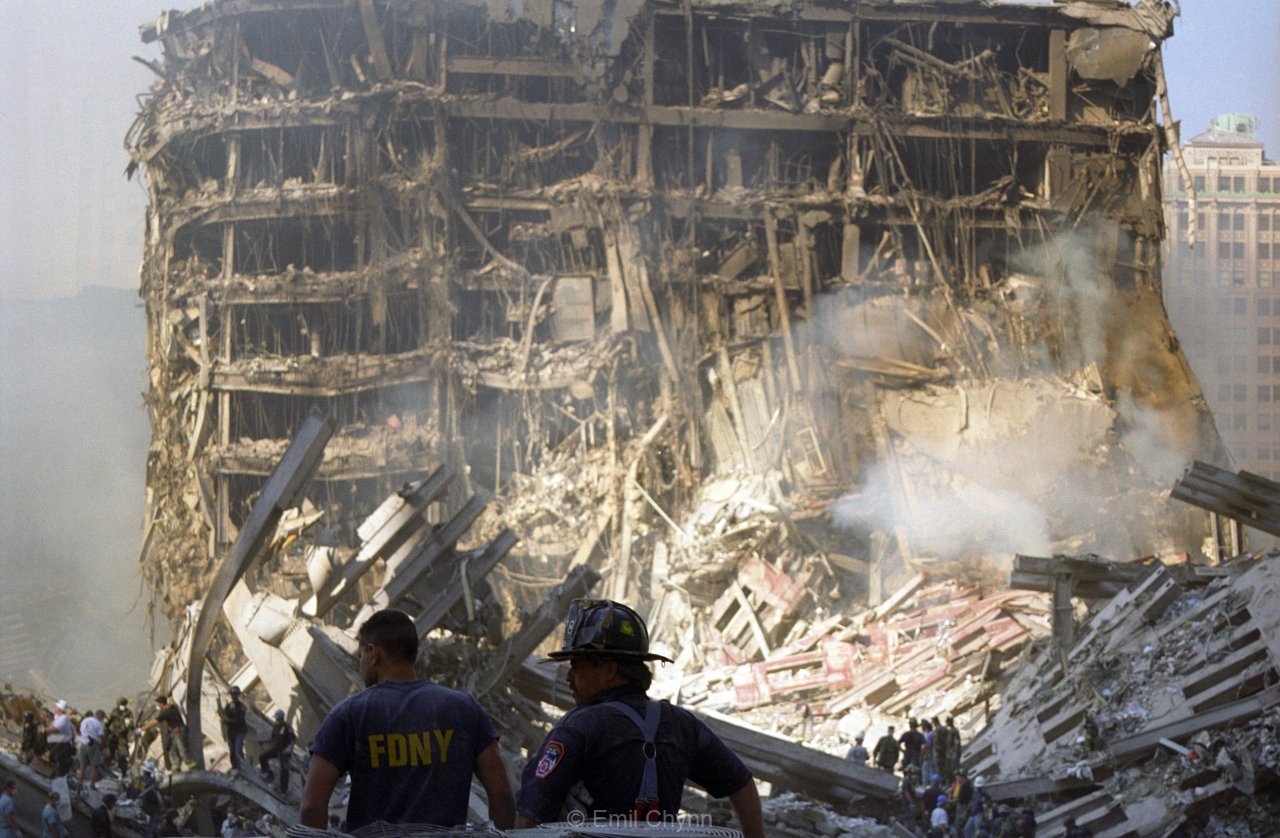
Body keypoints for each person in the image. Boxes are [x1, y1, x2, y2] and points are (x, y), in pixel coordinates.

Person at [515, 600, 764, 837]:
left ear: (609, 670)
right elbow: (741, 784)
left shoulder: (579, 727)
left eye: (577, 666)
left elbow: (531, 816)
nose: (569, 677)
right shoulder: (681, 724)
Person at [300, 608, 515, 830]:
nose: (360, 664)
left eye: (360, 656)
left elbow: (311, 808)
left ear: (373, 653)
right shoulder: (465, 709)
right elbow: (503, 796)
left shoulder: (347, 715)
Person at [139, 696, 190, 771]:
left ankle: (193, 768)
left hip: (178, 731)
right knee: (173, 751)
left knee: (183, 751)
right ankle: (176, 769)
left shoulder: (167, 711)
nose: (157, 706)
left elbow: (155, 722)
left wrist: (142, 729)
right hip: (173, 732)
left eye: (158, 704)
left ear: (162, 704)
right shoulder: (171, 709)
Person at [258, 710, 294, 795]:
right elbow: (273, 738)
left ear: (281, 718)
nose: (276, 720)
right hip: (276, 749)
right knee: (262, 757)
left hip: (284, 752)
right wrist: (264, 741)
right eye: (276, 719)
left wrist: (289, 748)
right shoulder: (276, 727)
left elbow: (293, 740)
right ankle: (269, 774)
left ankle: (283, 791)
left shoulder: (287, 728)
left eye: (278, 719)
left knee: (284, 770)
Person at [218, 687, 249, 772]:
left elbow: (239, 720)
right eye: (232, 695)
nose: (233, 697)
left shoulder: (241, 707)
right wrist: (222, 715)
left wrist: (229, 720)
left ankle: (243, 768)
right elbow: (224, 716)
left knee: (238, 751)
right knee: (232, 752)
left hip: (240, 731)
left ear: (237, 696)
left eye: (235, 695)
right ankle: (236, 768)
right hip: (231, 732)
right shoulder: (229, 706)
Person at [78, 710, 107, 788]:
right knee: (95, 766)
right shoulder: (99, 724)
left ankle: (80, 784)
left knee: (82, 766)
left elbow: (80, 731)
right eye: (103, 718)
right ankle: (92, 784)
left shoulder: (85, 720)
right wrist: (103, 746)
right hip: (93, 745)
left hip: (83, 744)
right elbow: (102, 736)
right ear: (101, 716)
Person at [45, 702, 75, 777]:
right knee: (54, 761)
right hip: (57, 744)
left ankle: (60, 779)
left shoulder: (63, 719)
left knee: (61, 764)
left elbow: (55, 729)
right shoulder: (57, 718)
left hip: (62, 746)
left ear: (60, 710)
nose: (54, 709)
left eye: (56, 707)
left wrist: (44, 730)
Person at [106, 699, 135, 775]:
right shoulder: (114, 711)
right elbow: (108, 722)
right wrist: (107, 732)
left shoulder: (128, 713)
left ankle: (123, 772)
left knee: (122, 755)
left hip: (122, 736)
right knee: (110, 753)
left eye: (123, 704)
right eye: (121, 704)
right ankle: (108, 769)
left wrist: (129, 724)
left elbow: (132, 726)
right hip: (113, 735)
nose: (122, 706)